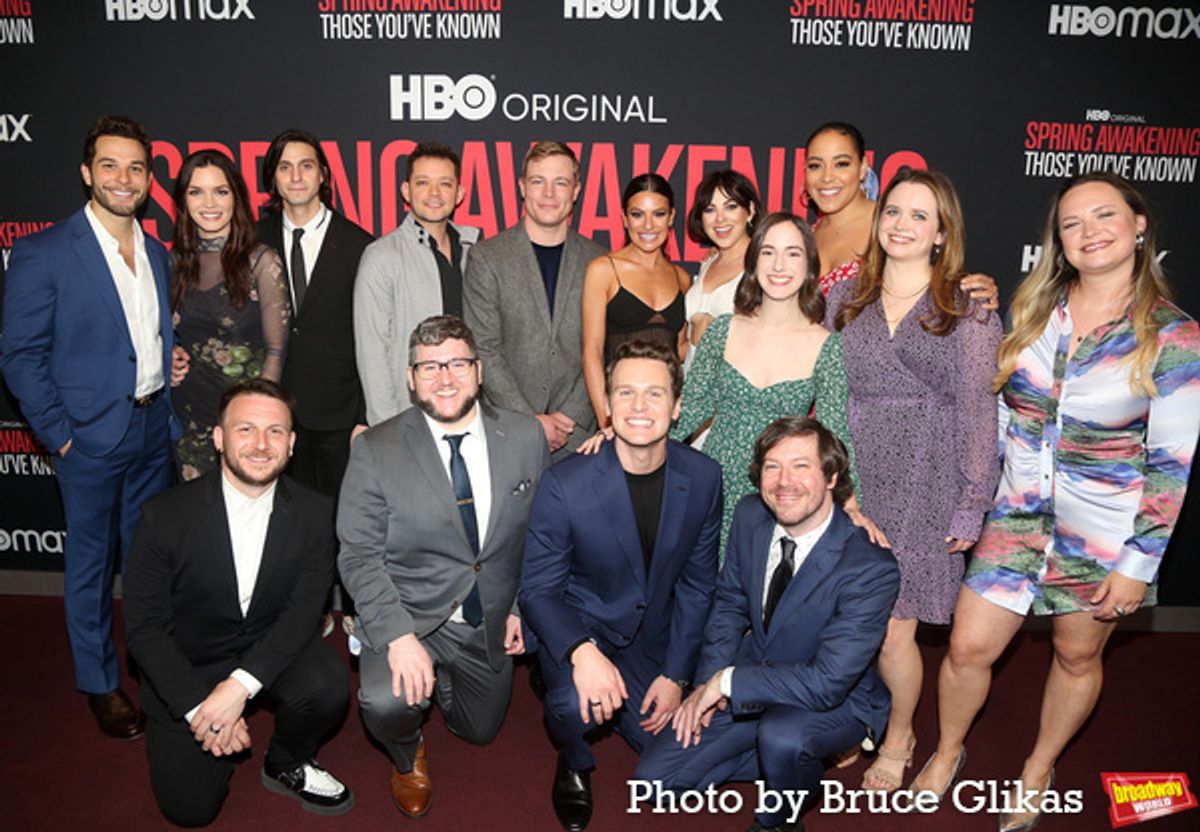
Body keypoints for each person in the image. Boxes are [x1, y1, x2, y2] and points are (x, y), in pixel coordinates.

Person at [912, 173, 1200, 831]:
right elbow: (1003, 409)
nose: (1090, 232)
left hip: (1103, 532)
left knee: (1077, 656)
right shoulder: (1036, 310)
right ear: (1059, 241)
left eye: (1105, 216)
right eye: (1073, 223)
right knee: (965, 649)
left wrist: (1138, 563)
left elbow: (1171, 466)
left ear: (1139, 227)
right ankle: (947, 750)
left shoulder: (1172, 336)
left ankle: (1039, 767)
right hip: (1016, 513)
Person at [1, 115, 182, 739]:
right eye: (110, 165)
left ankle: (150, 664)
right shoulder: (43, 253)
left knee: (148, 563)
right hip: (88, 440)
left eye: (136, 167)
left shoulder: (157, 251)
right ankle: (100, 683)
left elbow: (148, 338)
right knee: (89, 566)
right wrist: (60, 434)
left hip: (153, 430)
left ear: (149, 179)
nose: (123, 178)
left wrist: (171, 361)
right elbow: (19, 356)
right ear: (87, 173)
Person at [824, 167, 1002, 793]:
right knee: (854, 621)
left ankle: (899, 737)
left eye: (918, 216)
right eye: (893, 211)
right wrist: (833, 487)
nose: (901, 225)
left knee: (897, 626)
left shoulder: (968, 308)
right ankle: (859, 720)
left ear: (941, 231)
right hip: (855, 476)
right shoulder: (843, 300)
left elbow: (982, 413)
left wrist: (972, 503)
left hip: (930, 476)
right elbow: (828, 394)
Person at [636, 417, 900, 832]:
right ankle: (786, 765)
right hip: (754, 677)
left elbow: (828, 682)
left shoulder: (869, 567)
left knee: (783, 738)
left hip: (831, 699)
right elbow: (729, 604)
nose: (784, 481)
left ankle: (781, 814)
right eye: (772, 467)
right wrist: (708, 683)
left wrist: (727, 683)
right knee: (653, 784)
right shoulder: (749, 517)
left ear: (831, 477)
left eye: (801, 466)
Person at [337, 315, 549, 819]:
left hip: (488, 617)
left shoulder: (525, 438)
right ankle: (407, 752)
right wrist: (397, 636)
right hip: (409, 614)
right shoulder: (374, 449)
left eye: (456, 363)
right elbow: (358, 555)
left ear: (479, 371)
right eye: (429, 367)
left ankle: (447, 680)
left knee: (479, 733)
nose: (445, 378)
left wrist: (520, 605)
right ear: (410, 378)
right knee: (386, 703)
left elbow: (543, 535)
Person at [123, 379, 353, 825]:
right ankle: (214, 739)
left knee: (328, 685)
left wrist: (238, 689)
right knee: (189, 812)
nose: (261, 445)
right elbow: (144, 629)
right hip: (190, 665)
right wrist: (201, 710)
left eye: (275, 432)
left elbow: (305, 612)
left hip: (268, 651)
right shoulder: (164, 516)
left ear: (292, 444)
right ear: (218, 438)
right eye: (245, 429)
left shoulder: (315, 512)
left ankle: (286, 762)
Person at [521, 340, 722, 832]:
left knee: (671, 757)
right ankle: (574, 761)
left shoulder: (703, 476)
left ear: (677, 407)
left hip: (651, 636)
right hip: (583, 625)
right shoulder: (564, 484)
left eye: (654, 394)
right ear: (606, 405)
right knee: (575, 706)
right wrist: (581, 651)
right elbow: (539, 590)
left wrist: (675, 675)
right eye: (625, 393)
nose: (638, 406)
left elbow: (698, 586)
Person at [666, 212, 869, 562]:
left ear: (808, 266)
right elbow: (689, 412)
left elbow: (835, 435)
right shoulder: (721, 331)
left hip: (782, 495)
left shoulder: (826, 346)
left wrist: (852, 507)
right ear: (753, 260)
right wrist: (625, 441)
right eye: (768, 252)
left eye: (792, 253)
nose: (779, 265)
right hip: (715, 487)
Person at [464, 141, 605, 459]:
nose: (549, 194)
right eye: (538, 181)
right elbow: (484, 348)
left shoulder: (600, 261)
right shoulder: (487, 258)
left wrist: (570, 415)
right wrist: (530, 422)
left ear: (576, 190)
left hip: (579, 437)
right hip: (507, 433)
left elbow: (603, 346)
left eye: (561, 183)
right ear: (522, 187)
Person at [257, 128, 374, 496]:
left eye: (306, 166)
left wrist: (363, 417)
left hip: (340, 413)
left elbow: (372, 336)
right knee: (287, 522)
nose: (296, 177)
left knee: (340, 521)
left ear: (323, 174)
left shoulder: (360, 245)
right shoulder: (253, 241)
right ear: (272, 179)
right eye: (285, 167)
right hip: (274, 408)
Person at [172, 149, 289, 480]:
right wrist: (169, 356)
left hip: (248, 423)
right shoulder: (174, 262)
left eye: (220, 191)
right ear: (183, 200)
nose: (209, 203)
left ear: (236, 197)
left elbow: (277, 351)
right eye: (197, 192)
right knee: (198, 521)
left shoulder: (261, 262)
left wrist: (260, 422)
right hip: (188, 419)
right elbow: (161, 334)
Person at [804, 121, 998, 305]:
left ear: (863, 167)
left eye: (841, 164)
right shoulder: (804, 236)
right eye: (815, 166)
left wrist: (975, 291)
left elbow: (942, 283)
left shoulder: (892, 229)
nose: (827, 177)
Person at [355, 142, 481, 425]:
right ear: (406, 191)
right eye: (423, 182)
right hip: (408, 417)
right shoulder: (381, 257)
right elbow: (372, 351)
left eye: (445, 184)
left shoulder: (476, 251)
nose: (434, 193)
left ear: (459, 193)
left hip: (470, 413)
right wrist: (386, 428)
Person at [581, 174, 689, 431]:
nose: (648, 225)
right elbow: (591, 352)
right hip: (620, 409)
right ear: (624, 219)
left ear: (671, 217)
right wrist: (605, 419)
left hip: (663, 412)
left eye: (659, 214)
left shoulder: (681, 278)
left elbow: (680, 350)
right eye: (638, 214)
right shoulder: (604, 270)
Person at [683, 169, 761, 370]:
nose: (720, 219)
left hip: (736, 394)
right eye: (710, 209)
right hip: (692, 389)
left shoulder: (764, 265)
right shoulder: (708, 262)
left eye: (731, 207)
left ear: (750, 210)